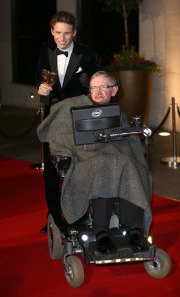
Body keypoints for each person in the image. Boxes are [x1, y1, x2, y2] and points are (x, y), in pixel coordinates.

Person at [37, 71, 152, 251]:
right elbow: (55, 135)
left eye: (103, 87)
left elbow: (132, 145)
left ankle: (136, 231)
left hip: (118, 161)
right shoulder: (70, 107)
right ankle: (101, 233)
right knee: (102, 165)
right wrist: (85, 143)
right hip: (84, 162)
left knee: (130, 164)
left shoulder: (117, 114)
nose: (97, 91)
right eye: (94, 87)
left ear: (113, 90)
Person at [35, 11, 99, 233]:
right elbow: (39, 75)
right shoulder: (46, 49)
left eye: (67, 34)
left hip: (77, 118)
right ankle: (54, 218)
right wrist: (41, 87)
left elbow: (95, 87)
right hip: (52, 117)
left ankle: (79, 216)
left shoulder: (87, 55)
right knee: (51, 170)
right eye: (58, 33)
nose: (62, 38)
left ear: (75, 33)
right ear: (52, 31)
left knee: (78, 167)